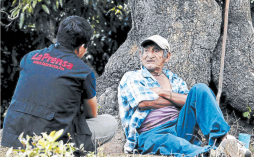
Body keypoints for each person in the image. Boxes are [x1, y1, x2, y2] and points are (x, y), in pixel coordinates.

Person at [118, 35, 252, 156]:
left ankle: (224, 141)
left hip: (181, 126)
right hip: (152, 133)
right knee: (172, 143)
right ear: (141, 55)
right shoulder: (132, 77)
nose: (149, 55)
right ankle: (211, 153)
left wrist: (164, 92)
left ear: (167, 56)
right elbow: (144, 103)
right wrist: (178, 99)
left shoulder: (174, 79)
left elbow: (193, 100)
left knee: (200, 89)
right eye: (146, 51)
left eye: (156, 50)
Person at [1, 16, 117, 152]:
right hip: (50, 143)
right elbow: (91, 114)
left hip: (13, 137)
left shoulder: (29, 57)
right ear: (81, 48)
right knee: (110, 122)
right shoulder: (83, 71)